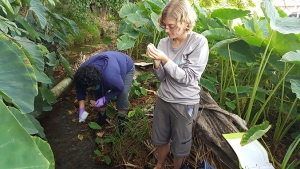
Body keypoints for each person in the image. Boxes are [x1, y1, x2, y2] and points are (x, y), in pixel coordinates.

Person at [146, 0, 209, 168]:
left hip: (184, 103)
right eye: (165, 26)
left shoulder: (198, 43)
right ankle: (159, 164)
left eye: (171, 26)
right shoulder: (163, 43)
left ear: (186, 22)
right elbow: (161, 78)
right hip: (164, 99)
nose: (167, 30)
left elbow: (188, 78)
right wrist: (156, 61)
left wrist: (165, 59)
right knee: (160, 137)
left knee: (180, 143)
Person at [74, 51, 135, 129]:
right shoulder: (81, 74)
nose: (88, 90)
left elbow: (120, 88)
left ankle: (121, 123)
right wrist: (81, 109)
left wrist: (104, 99)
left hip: (126, 65)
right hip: (110, 63)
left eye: (89, 88)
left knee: (122, 94)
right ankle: (102, 119)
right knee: (98, 91)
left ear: (95, 83)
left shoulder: (110, 78)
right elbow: (80, 90)